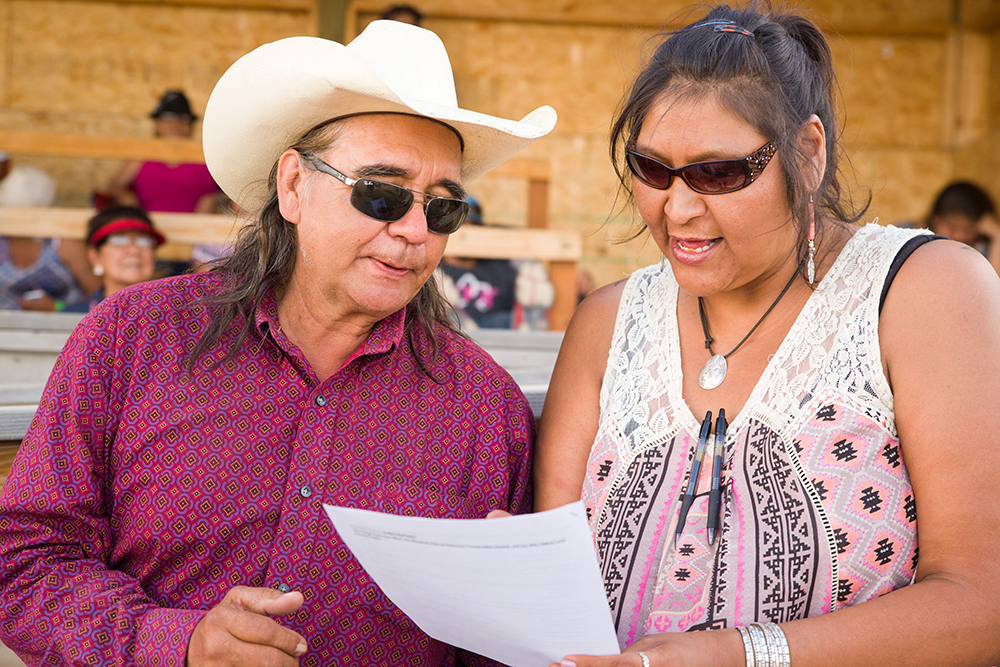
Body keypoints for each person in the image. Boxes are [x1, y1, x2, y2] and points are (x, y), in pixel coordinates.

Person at [0, 20, 555, 666]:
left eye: (442, 208)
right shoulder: (132, 339)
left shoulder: (486, 410)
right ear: (293, 186)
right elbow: (23, 559)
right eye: (381, 194)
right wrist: (176, 642)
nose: (414, 231)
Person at [533, 5, 1000, 667]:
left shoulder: (922, 291)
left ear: (807, 154)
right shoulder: (607, 323)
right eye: (652, 169)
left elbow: (983, 602)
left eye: (718, 173)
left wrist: (743, 654)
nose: (679, 208)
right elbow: (561, 599)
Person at [0, 153, 98, 310]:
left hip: (64, 329)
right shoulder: (2, 239)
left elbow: (99, 298)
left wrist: (58, 307)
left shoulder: (64, 244)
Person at [103, 90, 221, 214]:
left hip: (200, 229)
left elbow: (228, 195)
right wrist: (128, 200)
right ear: (157, 124)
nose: (176, 125)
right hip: (149, 229)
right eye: (168, 118)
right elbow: (115, 186)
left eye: (183, 119)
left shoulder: (206, 157)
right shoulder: (142, 155)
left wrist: (213, 199)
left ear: (191, 126)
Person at [63, 206, 165, 313]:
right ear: (95, 256)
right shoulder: (72, 316)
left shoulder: (174, 316)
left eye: (144, 241)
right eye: (119, 240)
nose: (134, 250)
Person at [925, 181, 1000, 273]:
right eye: (953, 228)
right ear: (934, 220)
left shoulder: (981, 251)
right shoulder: (911, 236)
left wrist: (997, 236)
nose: (959, 236)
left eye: (968, 230)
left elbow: (994, 284)